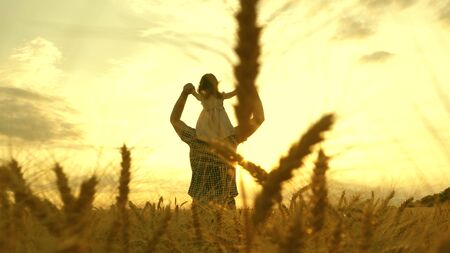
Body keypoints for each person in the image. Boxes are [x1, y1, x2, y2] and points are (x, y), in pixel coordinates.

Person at [170, 74, 264, 208]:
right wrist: (252, 91)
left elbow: (174, 120)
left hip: (199, 207)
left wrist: (184, 94)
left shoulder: (194, 138)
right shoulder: (232, 139)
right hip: (227, 206)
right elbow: (259, 118)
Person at [190, 73, 237, 143]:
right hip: (211, 120)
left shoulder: (219, 96)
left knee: (221, 134)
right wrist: (192, 91)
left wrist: (237, 91)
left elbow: (229, 95)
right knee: (211, 135)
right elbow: (196, 96)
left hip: (219, 120)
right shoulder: (204, 97)